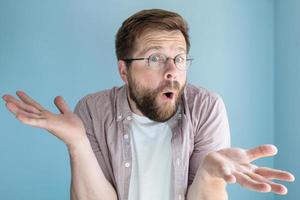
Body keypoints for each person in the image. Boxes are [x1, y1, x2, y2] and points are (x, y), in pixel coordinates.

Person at [2, 9, 295, 200]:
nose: (172, 70)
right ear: (123, 70)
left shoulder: (206, 107)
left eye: (179, 58)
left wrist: (209, 173)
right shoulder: (93, 110)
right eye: (155, 58)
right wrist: (77, 143)